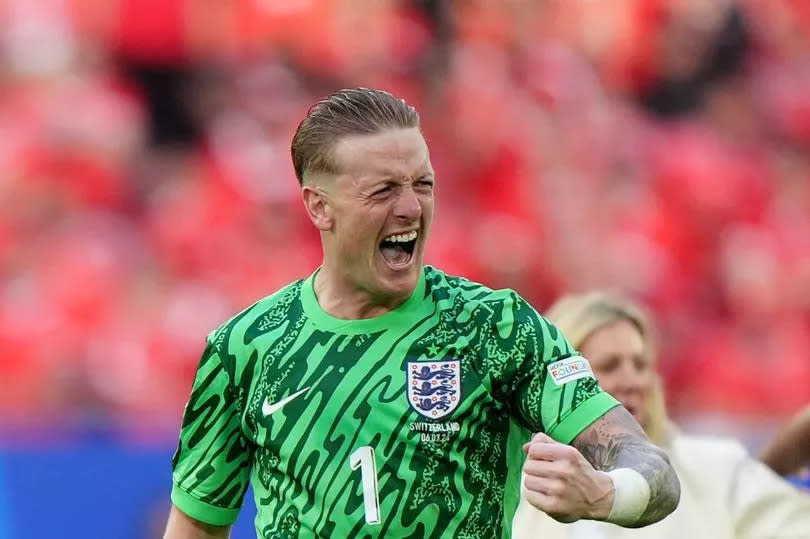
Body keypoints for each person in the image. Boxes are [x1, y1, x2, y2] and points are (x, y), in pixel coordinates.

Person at [163, 88, 680, 538]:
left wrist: (605, 495)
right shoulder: (246, 346)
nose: (411, 208)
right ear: (319, 206)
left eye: (423, 184)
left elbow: (653, 468)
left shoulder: (497, 329)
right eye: (384, 190)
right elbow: (199, 525)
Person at [513, 291, 810, 539]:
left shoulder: (716, 470)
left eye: (641, 365)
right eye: (609, 365)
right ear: (560, 384)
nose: (633, 381)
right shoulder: (510, 487)